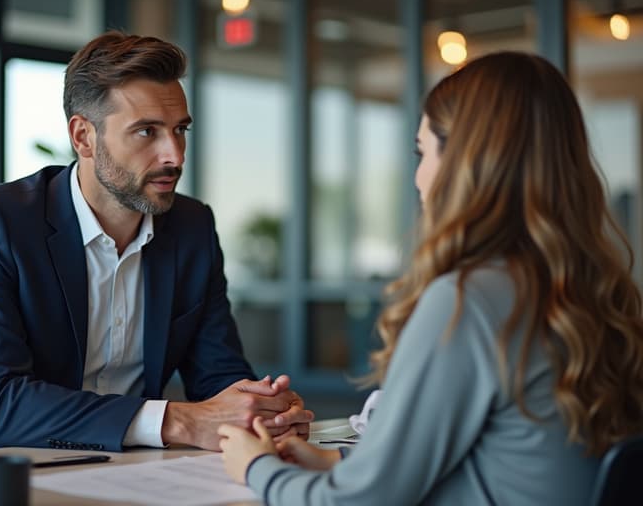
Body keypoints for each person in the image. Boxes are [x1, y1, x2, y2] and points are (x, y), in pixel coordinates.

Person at [217, 51, 643, 504]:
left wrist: (256, 466)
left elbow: (358, 503)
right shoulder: (593, 292)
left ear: (463, 164)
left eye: (423, 153)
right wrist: (332, 462)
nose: (419, 178)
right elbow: (509, 460)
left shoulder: (470, 298)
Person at [0, 31, 313, 453]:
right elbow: (0, 405)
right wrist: (179, 420)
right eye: (146, 132)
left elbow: (218, 375)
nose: (175, 155)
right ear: (84, 137)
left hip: (130, 469)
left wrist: (263, 410)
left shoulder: (192, 227)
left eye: (180, 129)